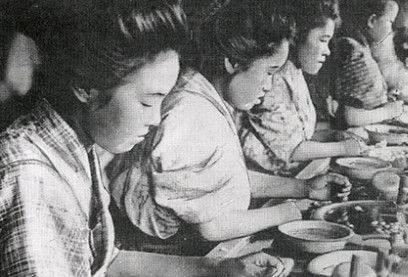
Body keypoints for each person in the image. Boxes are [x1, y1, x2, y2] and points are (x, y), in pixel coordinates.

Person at [0, 1, 295, 277]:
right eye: (146, 101)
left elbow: (99, 262)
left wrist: (213, 268)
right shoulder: (32, 175)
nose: (155, 118)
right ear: (86, 88)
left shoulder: (71, 143)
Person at [111, 0, 351, 244]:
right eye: (269, 71)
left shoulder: (199, 88)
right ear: (233, 63)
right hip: (158, 249)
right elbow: (212, 227)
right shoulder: (192, 114)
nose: (268, 86)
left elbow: (224, 179)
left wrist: (304, 189)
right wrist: (290, 212)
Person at [237, 0, 366, 176]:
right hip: (271, 185)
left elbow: (300, 136)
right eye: (322, 40)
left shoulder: (295, 73)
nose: (327, 51)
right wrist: (343, 147)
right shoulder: (274, 81)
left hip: (299, 174)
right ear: (297, 38)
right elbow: (293, 151)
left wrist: (334, 135)